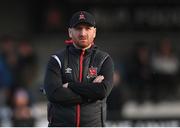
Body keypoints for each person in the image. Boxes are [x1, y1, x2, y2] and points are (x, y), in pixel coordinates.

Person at [44, 11, 114, 127]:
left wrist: (71, 85)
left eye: (87, 28)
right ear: (70, 32)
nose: (83, 33)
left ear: (94, 32)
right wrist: (91, 93)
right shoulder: (57, 59)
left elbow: (102, 91)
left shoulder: (104, 59)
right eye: (78, 28)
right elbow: (54, 93)